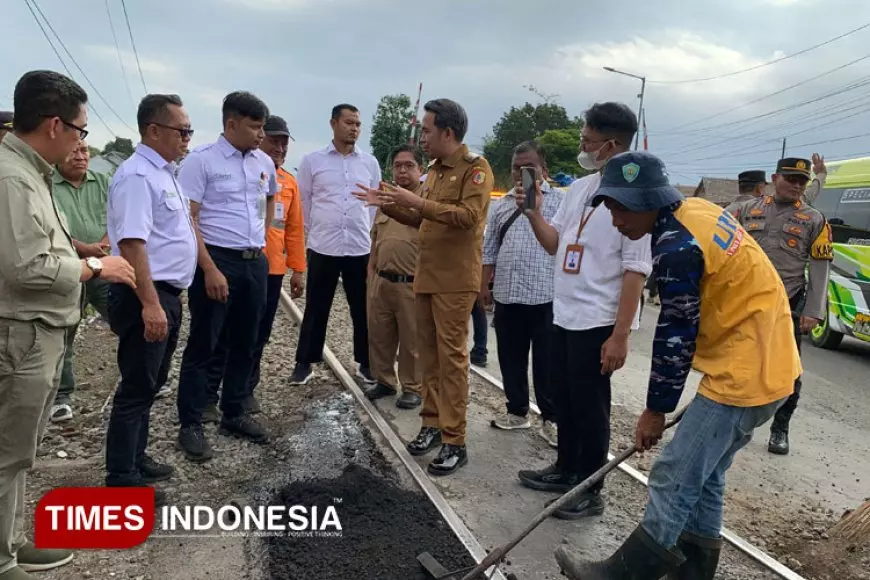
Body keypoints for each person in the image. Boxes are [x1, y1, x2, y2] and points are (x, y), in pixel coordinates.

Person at [554, 151, 798, 580]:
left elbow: (676, 334)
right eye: (610, 207)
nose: (615, 219)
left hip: (746, 374)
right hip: (771, 364)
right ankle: (694, 572)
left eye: (621, 207)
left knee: (673, 474)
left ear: (650, 200)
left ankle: (623, 575)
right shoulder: (695, 212)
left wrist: (654, 409)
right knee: (706, 478)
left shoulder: (677, 246)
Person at [0, 70, 135, 580]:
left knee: (19, 451)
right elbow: (27, 267)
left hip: (38, 331)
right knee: (7, 450)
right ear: (55, 125)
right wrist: (97, 267)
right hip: (21, 331)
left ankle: (9, 541)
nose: (83, 141)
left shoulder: (31, 171)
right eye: (80, 130)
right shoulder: (12, 178)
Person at [516, 102, 651, 519]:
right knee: (566, 399)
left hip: (599, 320)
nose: (582, 146)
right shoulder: (581, 187)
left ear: (611, 145)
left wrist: (620, 335)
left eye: (587, 141)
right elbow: (556, 244)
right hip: (565, 313)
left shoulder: (636, 195)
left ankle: (590, 488)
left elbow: (636, 270)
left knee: (591, 407)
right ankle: (566, 468)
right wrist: (533, 213)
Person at [354, 98, 493, 476]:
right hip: (427, 279)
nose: (423, 138)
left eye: (428, 131)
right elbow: (423, 222)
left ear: (448, 132)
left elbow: (467, 217)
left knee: (451, 362)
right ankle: (431, 423)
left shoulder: (475, 170)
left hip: (454, 282)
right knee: (428, 358)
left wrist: (414, 200)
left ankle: (455, 440)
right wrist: (387, 204)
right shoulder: (434, 172)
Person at [104, 94, 198, 502]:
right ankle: (121, 478)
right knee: (137, 385)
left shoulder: (165, 173)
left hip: (166, 293)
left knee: (152, 382)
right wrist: (150, 304)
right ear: (153, 130)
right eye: (182, 131)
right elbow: (132, 244)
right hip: (146, 293)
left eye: (190, 131)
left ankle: (136, 458)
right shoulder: (138, 176)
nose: (188, 139)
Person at [175, 91, 276, 463]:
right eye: (254, 126)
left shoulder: (263, 161)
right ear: (231, 123)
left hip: (253, 262)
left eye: (262, 127)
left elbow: (267, 201)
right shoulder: (202, 161)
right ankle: (191, 421)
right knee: (205, 341)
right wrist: (209, 267)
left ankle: (234, 412)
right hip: (217, 260)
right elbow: (190, 218)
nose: (260, 134)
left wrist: (260, 242)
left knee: (246, 341)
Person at [204, 114, 306, 421]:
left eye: (285, 143)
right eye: (275, 141)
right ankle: (208, 394)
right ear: (261, 139)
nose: (280, 148)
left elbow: (294, 228)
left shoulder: (288, 183)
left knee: (256, 335)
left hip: (269, 270)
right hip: (234, 262)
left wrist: (298, 269)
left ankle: (245, 391)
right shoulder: (244, 174)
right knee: (220, 332)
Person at [729, 157, 832, 456]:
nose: (797, 185)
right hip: (745, 302)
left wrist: (814, 310)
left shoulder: (814, 219)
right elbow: (719, 236)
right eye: (791, 179)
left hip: (787, 303)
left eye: (803, 181)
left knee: (788, 371)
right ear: (775, 178)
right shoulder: (748, 209)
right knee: (737, 361)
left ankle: (780, 427)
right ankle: (735, 419)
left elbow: (820, 267)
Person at [290, 104, 381, 386]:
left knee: (362, 308)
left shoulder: (369, 163)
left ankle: (365, 363)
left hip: (358, 247)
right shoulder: (312, 161)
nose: (354, 128)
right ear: (333, 124)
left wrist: (359, 226)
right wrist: (320, 226)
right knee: (317, 306)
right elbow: (304, 201)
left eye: (357, 123)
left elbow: (373, 204)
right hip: (323, 246)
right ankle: (304, 362)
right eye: (348, 122)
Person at [480, 140, 563, 447]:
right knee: (510, 358)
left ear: (544, 170)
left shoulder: (559, 204)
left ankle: (551, 419)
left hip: (546, 296)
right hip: (507, 295)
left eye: (528, 167)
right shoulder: (501, 206)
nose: (520, 173)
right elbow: (489, 250)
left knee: (547, 362)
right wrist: (484, 286)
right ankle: (517, 411)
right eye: (516, 167)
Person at [50, 139, 111, 422]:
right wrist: (83, 248)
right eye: (73, 149)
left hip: (105, 266)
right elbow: (48, 226)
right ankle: (61, 398)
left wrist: (103, 244)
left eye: (84, 150)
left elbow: (118, 217)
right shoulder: (46, 183)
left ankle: (141, 379)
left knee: (128, 319)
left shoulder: (103, 181)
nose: (80, 156)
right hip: (67, 268)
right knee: (64, 333)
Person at [364, 145, 425, 409]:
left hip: (410, 283)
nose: (402, 170)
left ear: (420, 169)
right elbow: (375, 241)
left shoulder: (426, 201)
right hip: (381, 280)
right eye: (398, 165)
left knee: (413, 341)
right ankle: (385, 380)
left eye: (409, 165)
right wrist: (371, 276)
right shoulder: (385, 200)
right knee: (380, 335)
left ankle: (413, 387)